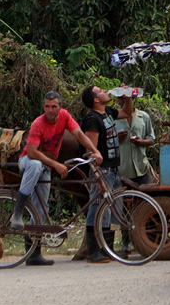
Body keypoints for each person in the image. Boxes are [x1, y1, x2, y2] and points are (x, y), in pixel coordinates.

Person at [11, 91, 102, 266]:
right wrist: (56, 164)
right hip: (28, 162)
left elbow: (80, 135)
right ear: (43, 107)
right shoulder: (38, 124)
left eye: (54, 106)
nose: (50, 110)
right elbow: (31, 153)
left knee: (42, 207)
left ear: (60, 107)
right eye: (47, 106)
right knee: (35, 165)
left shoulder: (64, 117)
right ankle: (18, 210)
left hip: (45, 165)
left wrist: (95, 150)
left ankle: (33, 253)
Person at [80, 84, 122, 263]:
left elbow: (127, 112)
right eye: (101, 91)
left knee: (107, 210)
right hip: (102, 169)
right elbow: (91, 151)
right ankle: (93, 251)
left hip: (113, 168)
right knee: (97, 208)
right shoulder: (92, 119)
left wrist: (127, 97)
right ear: (95, 99)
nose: (105, 91)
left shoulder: (108, 113)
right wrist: (97, 175)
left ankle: (106, 249)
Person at [112, 85, 155, 256]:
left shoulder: (143, 117)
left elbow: (151, 139)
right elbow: (104, 140)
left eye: (127, 99)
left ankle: (149, 240)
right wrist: (117, 139)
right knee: (124, 208)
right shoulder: (113, 118)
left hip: (141, 168)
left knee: (147, 204)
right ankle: (126, 243)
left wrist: (141, 142)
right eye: (121, 99)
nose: (124, 102)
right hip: (122, 170)